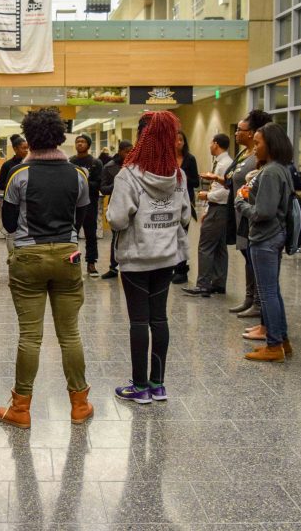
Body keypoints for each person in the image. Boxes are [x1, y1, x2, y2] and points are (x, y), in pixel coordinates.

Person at [0, 108, 94, 429]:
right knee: (70, 334)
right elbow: (81, 218)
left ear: (30, 138)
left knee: (30, 336)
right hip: (68, 256)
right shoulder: (78, 175)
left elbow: (9, 223)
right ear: (60, 137)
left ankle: (21, 409)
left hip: (28, 259)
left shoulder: (18, 175)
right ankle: (79, 404)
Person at [107, 111, 190, 403]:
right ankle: (158, 384)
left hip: (136, 258)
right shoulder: (178, 175)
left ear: (143, 138)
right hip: (166, 257)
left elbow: (117, 219)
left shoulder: (128, 175)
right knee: (159, 319)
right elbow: (186, 216)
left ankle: (139, 387)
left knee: (139, 321)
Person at [234, 122, 294, 362]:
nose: (255, 148)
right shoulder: (281, 168)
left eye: (258, 143)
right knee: (273, 292)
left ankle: (274, 345)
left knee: (267, 293)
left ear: (271, 144)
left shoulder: (270, 172)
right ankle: (281, 339)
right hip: (274, 235)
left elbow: (263, 212)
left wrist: (241, 203)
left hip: (265, 237)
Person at [226, 110, 270, 320]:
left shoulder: (261, 158)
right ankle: (249, 297)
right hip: (239, 213)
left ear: (252, 133)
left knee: (254, 258)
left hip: (250, 214)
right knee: (247, 257)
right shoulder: (244, 154)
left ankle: (258, 302)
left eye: (240, 130)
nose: (236, 133)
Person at [181, 133, 233, 297]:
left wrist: (207, 196)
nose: (209, 146)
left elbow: (225, 192)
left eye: (211, 143)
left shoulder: (224, 164)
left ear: (216, 144)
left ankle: (203, 284)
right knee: (219, 247)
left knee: (206, 245)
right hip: (218, 208)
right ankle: (218, 282)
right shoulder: (223, 162)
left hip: (219, 208)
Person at [99, 139, 133, 279]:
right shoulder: (109, 167)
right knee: (116, 237)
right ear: (119, 151)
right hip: (117, 205)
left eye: (132, 151)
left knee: (132, 236)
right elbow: (103, 188)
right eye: (127, 152)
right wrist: (118, 185)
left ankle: (131, 267)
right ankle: (113, 268)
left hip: (134, 206)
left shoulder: (135, 166)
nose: (129, 154)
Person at [69, 134, 103, 277]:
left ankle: (91, 263)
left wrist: (83, 183)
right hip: (73, 204)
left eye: (83, 142)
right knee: (72, 234)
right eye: (78, 142)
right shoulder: (70, 162)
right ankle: (73, 263)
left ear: (88, 145)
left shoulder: (96, 163)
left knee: (91, 234)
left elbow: (98, 184)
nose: (80, 144)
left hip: (90, 203)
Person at [171, 130, 199, 284]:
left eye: (181, 140)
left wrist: (182, 178)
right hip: (169, 202)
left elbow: (196, 182)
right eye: (176, 139)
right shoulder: (166, 159)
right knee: (170, 236)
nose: (179, 142)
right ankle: (171, 267)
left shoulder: (190, 159)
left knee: (182, 235)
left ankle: (181, 270)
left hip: (185, 201)